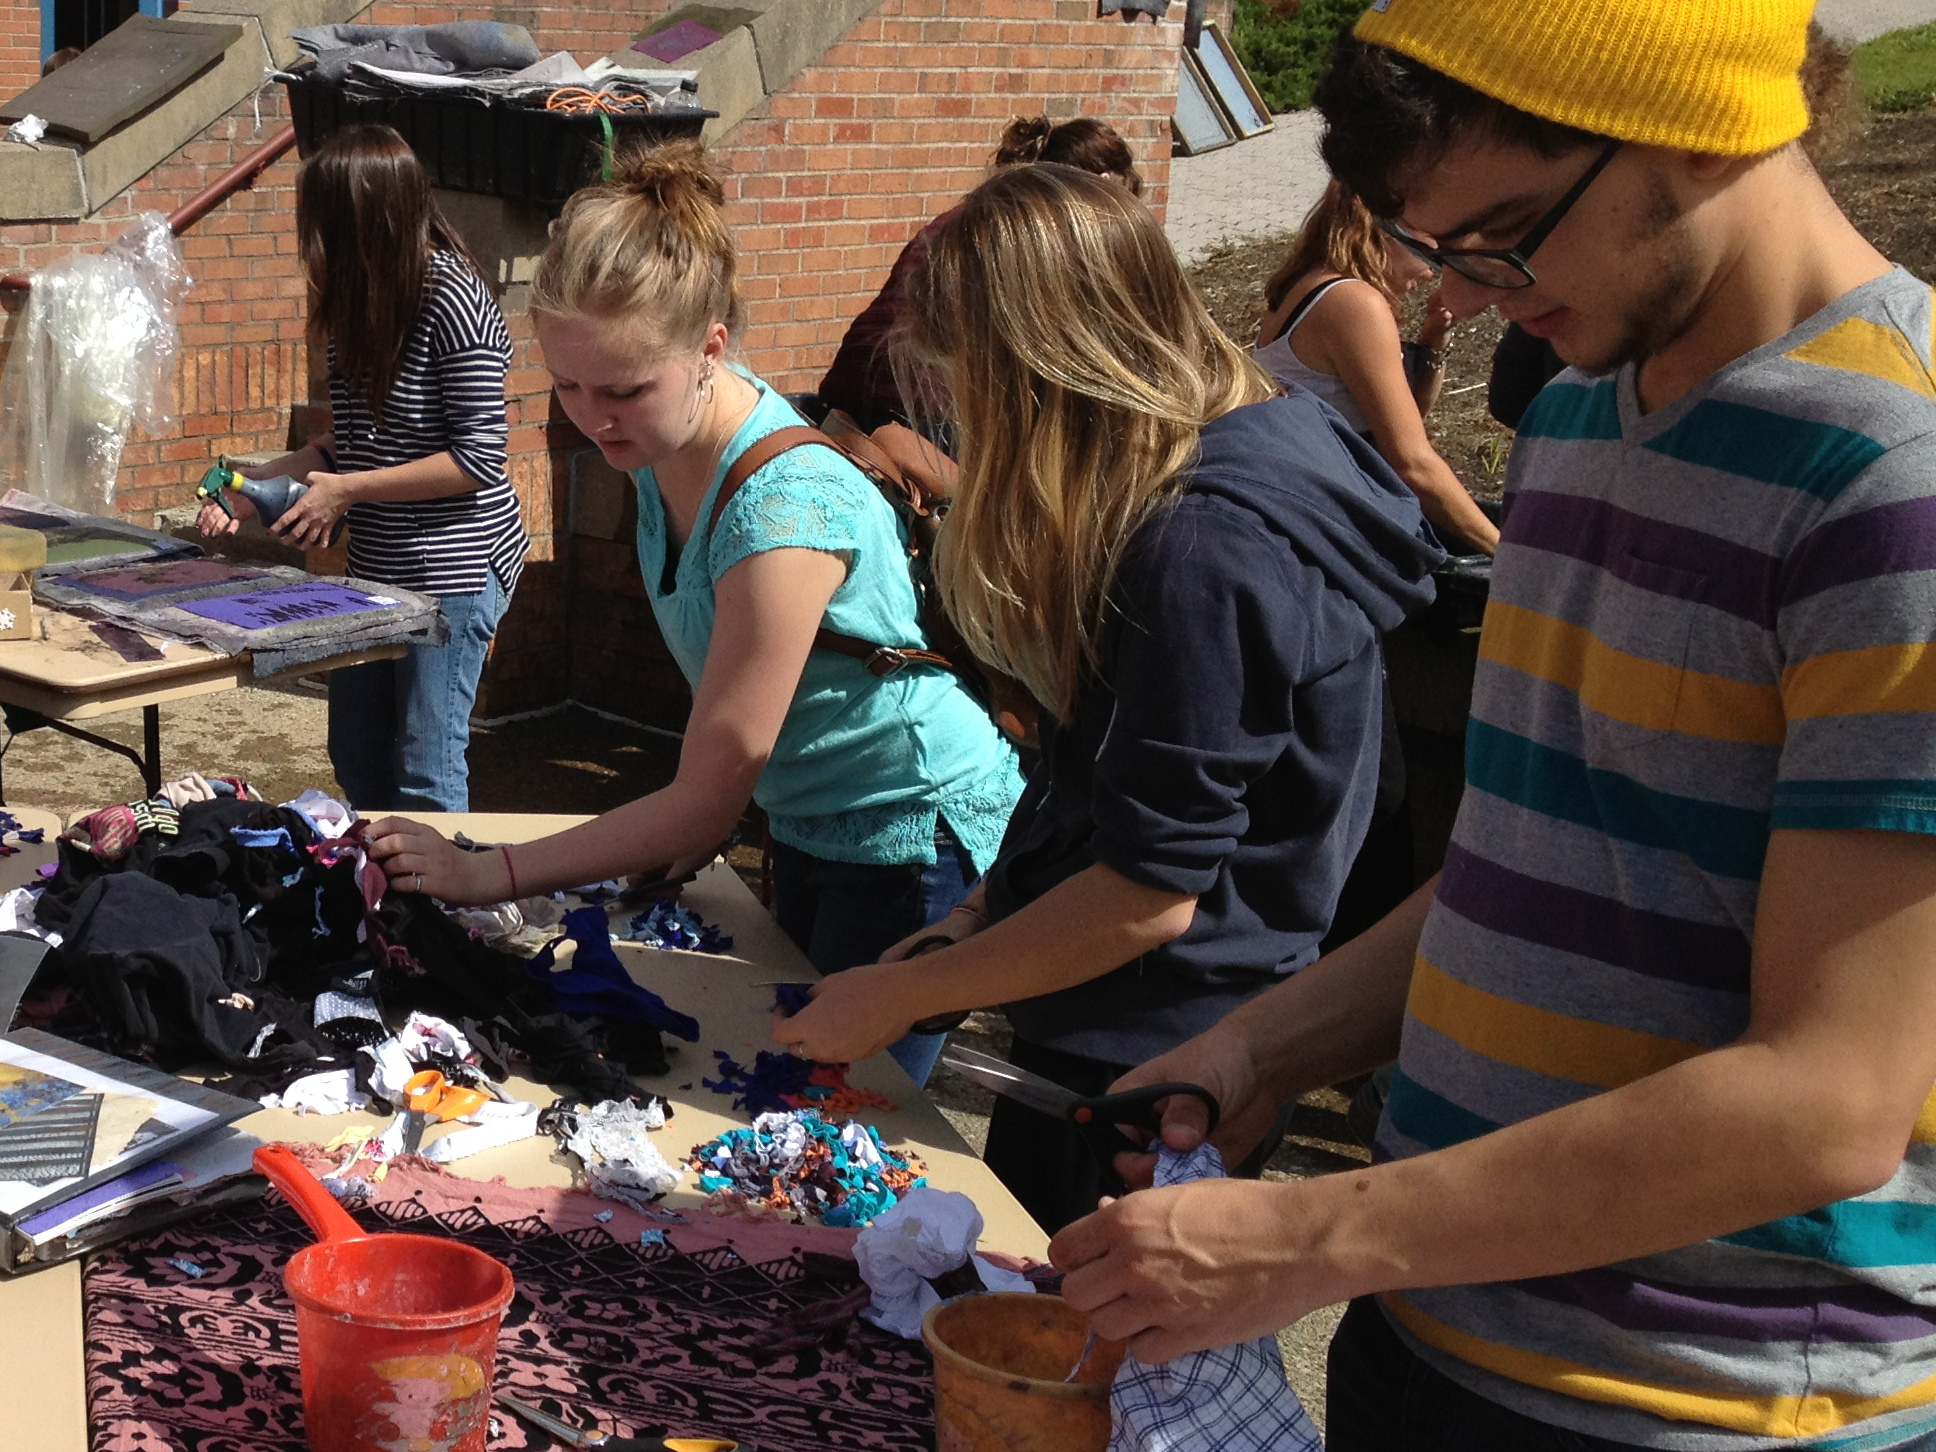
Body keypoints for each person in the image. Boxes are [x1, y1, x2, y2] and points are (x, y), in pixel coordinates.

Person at [1048, 4, 1936, 1451]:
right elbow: (1538, 869)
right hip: (1440, 1338)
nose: (1467, 296)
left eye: (1508, 233)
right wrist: (1265, 1051)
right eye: (1437, 249)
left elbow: (1830, 1100)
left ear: (1695, 126)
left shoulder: (1896, 481)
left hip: (1711, 1410)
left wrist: (1301, 1243)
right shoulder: (1585, 415)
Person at [773, 162, 1441, 1233]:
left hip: (1154, 1059)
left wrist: (902, 998)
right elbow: (1111, 772)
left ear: (1042, 371)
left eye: (969, 392)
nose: (965, 432)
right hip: (1138, 1009)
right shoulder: (1229, 458)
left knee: (1067, 1348)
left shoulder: (1198, 546)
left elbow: (1149, 890)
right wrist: (986, 914)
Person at [367, 142, 1024, 1087]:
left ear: (711, 347)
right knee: (769, 1069)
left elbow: (709, 785)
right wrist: (692, 830)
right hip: (805, 816)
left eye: (625, 388)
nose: (594, 419)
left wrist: (488, 872)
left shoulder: (783, 506)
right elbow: (733, 717)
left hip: (911, 832)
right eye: (569, 383)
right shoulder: (660, 449)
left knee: (824, 1106)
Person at [196, 124, 527, 814]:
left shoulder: (455, 300)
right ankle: (378, 896)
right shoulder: (355, 304)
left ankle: (439, 913)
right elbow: (347, 446)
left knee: (424, 765)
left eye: (321, 221)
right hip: (379, 567)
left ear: (365, 216)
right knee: (355, 749)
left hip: (455, 569)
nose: (310, 239)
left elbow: (478, 458)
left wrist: (347, 493)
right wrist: (250, 487)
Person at [815, 115, 1143, 432]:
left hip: (847, 393)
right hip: (925, 413)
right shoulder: (1037, 234)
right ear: (1096, 184)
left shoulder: (966, 216)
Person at [1257, 180, 1499, 554]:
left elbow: (1406, 420)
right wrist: (1502, 552)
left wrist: (1435, 337)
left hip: (1307, 497)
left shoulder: (1309, 284)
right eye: (1431, 253)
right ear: (1386, 231)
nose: (1432, 274)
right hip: (1325, 518)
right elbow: (1412, 464)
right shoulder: (1353, 302)